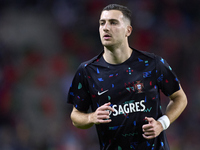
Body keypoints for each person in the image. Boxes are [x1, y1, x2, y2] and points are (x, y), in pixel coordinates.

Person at [67, 4, 187, 150]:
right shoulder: (87, 71)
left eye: (113, 22)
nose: (105, 27)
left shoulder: (153, 63)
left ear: (128, 30)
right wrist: (91, 117)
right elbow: (75, 116)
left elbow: (180, 98)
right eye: (102, 23)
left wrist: (162, 123)